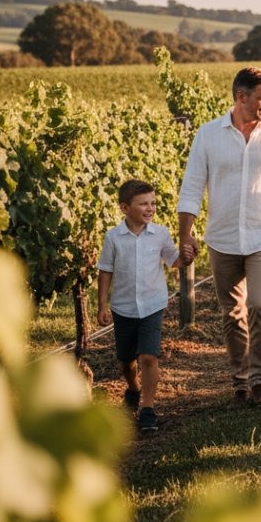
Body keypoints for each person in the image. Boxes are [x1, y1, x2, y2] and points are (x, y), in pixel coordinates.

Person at [177, 67, 261, 408]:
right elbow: (191, 187)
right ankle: (240, 382)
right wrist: (186, 235)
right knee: (231, 311)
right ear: (241, 96)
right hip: (221, 237)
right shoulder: (208, 136)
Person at [96, 179, 183, 433]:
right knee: (125, 359)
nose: (150, 208)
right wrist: (102, 304)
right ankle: (133, 389)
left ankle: (147, 409)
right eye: (143, 203)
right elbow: (106, 270)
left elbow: (174, 261)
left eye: (153, 203)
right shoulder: (113, 238)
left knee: (148, 356)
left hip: (153, 305)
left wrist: (187, 256)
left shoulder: (161, 234)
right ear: (125, 208)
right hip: (123, 307)